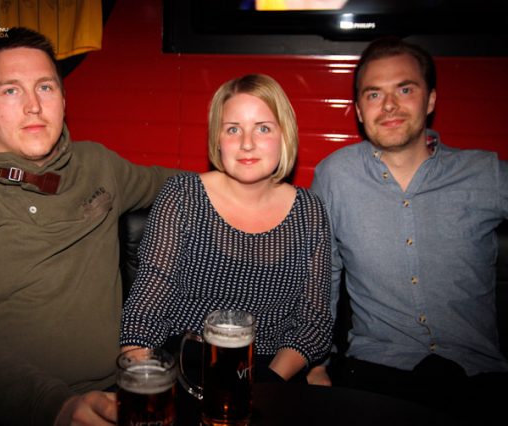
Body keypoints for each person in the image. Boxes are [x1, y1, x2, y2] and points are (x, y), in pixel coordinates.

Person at [0, 27, 178, 426]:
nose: (33, 106)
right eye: (10, 90)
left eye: (45, 88)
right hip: (8, 412)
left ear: (64, 101)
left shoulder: (97, 165)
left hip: (118, 393)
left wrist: (252, 179)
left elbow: (175, 184)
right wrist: (55, 407)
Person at [310, 36, 508, 422]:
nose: (389, 105)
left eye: (404, 89)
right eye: (374, 94)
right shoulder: (334, 175)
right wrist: (317, 365)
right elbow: (321, 277)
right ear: (359, 110)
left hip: (478, 377)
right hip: (376, 372)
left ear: (430, 100)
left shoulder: (485, 173)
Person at [120, 74, 333, 382]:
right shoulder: (182, 196)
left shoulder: (309, 210)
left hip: (273, 369)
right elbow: (145, 311)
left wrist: (268, 385)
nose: (247, 143)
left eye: (263, 128)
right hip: (188, 367)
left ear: (285, 136)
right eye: (233, 129)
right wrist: (143, 384)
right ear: (217, 140)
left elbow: (314, 323)